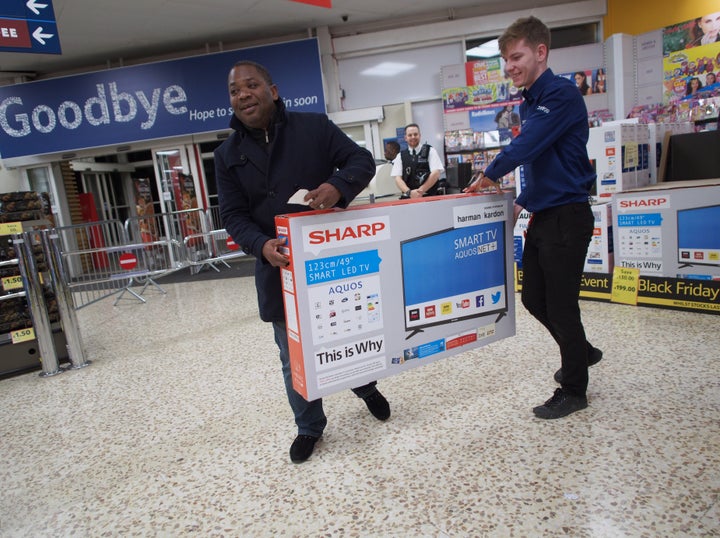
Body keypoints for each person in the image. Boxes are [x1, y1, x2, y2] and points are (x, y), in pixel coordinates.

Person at [215, 61, 391, 463]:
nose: (242, 94)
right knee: (291, 354)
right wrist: (260, 245)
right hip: (279, 270)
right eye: (233, 90)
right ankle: (310, 426)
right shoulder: (226, 155)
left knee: (345, 333)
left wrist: (337, 185)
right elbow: (233, 215)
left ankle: (365, 387)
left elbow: (361, 160)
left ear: (272, 91)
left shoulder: (314, 128)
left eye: (251, 85)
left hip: (330, 264)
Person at [464, 16, 601, 420]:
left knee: (561, 306)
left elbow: (529, 145)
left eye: (516, 56)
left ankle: (574, 390)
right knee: (533, 298)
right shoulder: (530, 102)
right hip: (544, 215)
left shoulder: (560, 95)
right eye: (506, 59)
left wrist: (488, 174)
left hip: (568, 217)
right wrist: (521, 201)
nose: (510, 66)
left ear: (541, 52)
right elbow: (547, 162)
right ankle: (582, 351)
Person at [391, 123, 445, 198]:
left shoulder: (430, 151)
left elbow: (436, 173)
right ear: (405, 138)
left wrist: (420, 191)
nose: (413, 137)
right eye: (410, 135)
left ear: (420, 135)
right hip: (409, 198)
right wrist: (409, 192)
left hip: (429, 197)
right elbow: (397, 178)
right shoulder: (400, 156)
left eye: (415, 134)